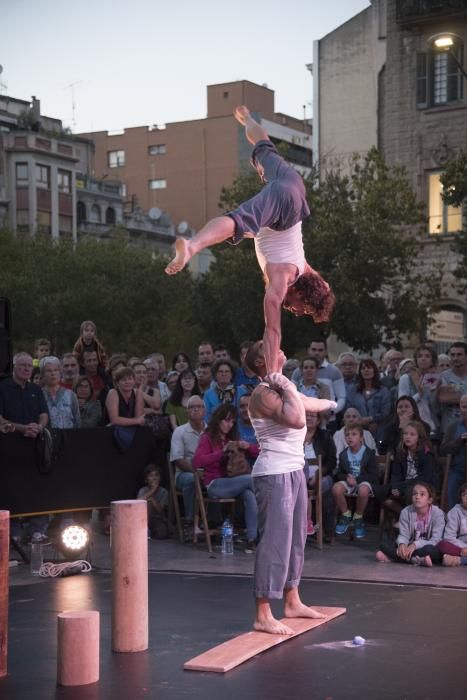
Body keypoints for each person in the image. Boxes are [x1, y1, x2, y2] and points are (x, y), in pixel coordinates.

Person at [165, 105, 335, 374]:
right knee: (238, 221)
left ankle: (247, 120)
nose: (298, 311)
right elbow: (273, 329)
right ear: (304, 292)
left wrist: (320, 302)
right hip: (285, 207)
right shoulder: (283, 278)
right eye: (303, 309)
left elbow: (324, 288)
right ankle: (191, 246)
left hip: (292, 185)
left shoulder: (307, 272)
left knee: (264, 145)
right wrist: (273, 374)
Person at [244, 340, 335, 635]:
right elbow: (298, 419)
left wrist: (329, 403)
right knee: (274, 542)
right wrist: (286, 384)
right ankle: (262, 612)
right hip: (274, 473)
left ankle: (292, 600)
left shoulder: (282, 388)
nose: (275, 344)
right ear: (261, 362)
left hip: (295, 469)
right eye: (265, 345)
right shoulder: (262, 393)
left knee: (297, 538)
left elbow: (312, 406)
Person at [192, 403, 258, 551]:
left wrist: (248, 446)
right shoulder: (207, 438)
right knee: (252, 479)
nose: (230, 425)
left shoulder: (232, 438)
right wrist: (221, 453)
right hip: (215, 484)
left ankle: (253, 539)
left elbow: (259, 452)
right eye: (227, 420)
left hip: (232, 482)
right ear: (218, 420)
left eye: (233, 421)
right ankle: (272, 520)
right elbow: (197, 462)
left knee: (249, 495)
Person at [376, 482, 444, 566]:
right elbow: (404, 535)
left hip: (426, 547)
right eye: (415, 494)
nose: (417, 497)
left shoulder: (438, 514)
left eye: (422, 494)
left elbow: (435, 540)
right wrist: (402, 544)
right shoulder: (406, 511)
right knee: (383, 544)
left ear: (429, 500)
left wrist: (415, 545)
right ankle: (416, 560)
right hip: (409, 547)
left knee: (432, 551)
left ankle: (395, 557)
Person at [333, 425, 380, 538]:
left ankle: (358, 517)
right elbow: (339, 473)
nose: (350, 437)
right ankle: (346, 514)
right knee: (336, 488)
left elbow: (373, 475)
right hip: (349, 481)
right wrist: (346, 478)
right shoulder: (343, 454)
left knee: (363, 490)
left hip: (364, 481)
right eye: (347, 435)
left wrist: (357, 480)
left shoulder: (369, 453)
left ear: (361, 438)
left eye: (354, 434)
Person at [382, 420, 437, 519]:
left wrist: (401, 487)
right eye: (405, 434)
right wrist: (395, 487)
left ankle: (411, 521)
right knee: (381, 492)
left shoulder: (426, 454)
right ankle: (407, 516)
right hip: (404, 484)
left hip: (423, 485)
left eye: (412, 434)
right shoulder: (401, 453)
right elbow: (395, 474)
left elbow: (425, 478)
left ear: (419, 437)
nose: (408, 437)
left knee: (411, 491)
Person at [170, 395, 206, 529]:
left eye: (199, 406)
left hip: (207, 472)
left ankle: (215, 521)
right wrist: (197, 472)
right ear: (186, 412)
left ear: (205, 411)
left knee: (218, 478)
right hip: (184, 474)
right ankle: (190, 522)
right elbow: (178, 460)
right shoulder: (179, 431)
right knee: (192, 479)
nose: (196, 409)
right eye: (192, 407)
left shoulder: (210, 431)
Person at [303, 411, 336, 539]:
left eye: (312, 416)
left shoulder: (325, 436)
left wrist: (318, 475)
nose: (308, 418)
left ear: (318, 420)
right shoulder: (295, 436)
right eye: (306, 415)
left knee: (325, 486)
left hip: (321, 476)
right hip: (300, 477)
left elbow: (332, 462)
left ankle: (325, 530)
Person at [345, 358, 391, 442]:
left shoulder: (383, 391)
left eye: (369, 368)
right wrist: (359, 421)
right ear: (360, 372)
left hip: (378, 430)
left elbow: (386, 412)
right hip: (356, 430)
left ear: (374, 371)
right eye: (363, 368)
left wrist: (371, 419)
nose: (366, 370)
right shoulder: (352, 390)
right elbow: (349, 409)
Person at [398, 344, 439, 433]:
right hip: (411, 423)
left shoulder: (434, 378)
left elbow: (434, 404)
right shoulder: (406, 378)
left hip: (431, 424)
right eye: (420, 356)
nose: (423, 359)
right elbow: (402, 403)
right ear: (416, 360)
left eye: (427, 356)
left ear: (432, 361)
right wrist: (419, 393)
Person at [439, 393, 467, 509]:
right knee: (452, 488)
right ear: (460, 408)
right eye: (464, 406)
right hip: (457, 470)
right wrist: (459, 440)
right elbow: (443, 450)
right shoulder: (453, 427)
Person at [41, 356, 80, 429]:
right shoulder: (38, 395)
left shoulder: (71, 395)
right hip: (46, 437)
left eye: (56, 370)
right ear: (42, 374)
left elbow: (77, 421)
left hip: (68, 437)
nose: (53, 373)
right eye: (48, 371)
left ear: (60, 372)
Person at [437, 342, 467, 436]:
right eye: (452, 355)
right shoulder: (443, 376)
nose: (455, 358)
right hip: (449, 430)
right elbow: (444, 398)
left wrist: (454, 395)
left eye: (459, 355)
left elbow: (449, 397)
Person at [137, 464, 170, 539]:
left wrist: (153, 499)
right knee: (148, 503)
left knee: (163, 534)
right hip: (143, 520)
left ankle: (151, 532)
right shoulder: (143, 490)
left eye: (156, 475)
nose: (154, 478)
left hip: (157, 519)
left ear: (160, 478)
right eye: (151, 476)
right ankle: (146, 529)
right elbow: (137, 503)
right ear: (146, 480)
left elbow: (160, 510)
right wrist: (152, 491)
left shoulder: (164, 492)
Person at [438, 482, 467, 566]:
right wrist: (464, 547)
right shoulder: (455, 512)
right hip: (459, 544)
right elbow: (449, 537)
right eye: (465, 495)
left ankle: (459, 560)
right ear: (460, 498)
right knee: (443, 545)